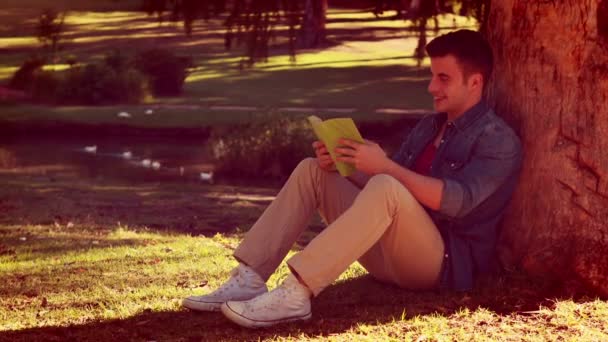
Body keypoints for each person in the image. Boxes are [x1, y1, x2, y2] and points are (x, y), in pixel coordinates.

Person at [182, 29, 523, 328]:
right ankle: (251, 277)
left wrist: (385, 166)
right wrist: (348, 163)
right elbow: (382, 192)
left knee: (387, 183)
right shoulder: (429, 126)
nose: (432, 86)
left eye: (443, 78)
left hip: (440, 265)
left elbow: (457, 202)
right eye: (432, 75)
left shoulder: (498, 139)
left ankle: (297, 292)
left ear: (475, 82)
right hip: (388, 256)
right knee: (312, 170)